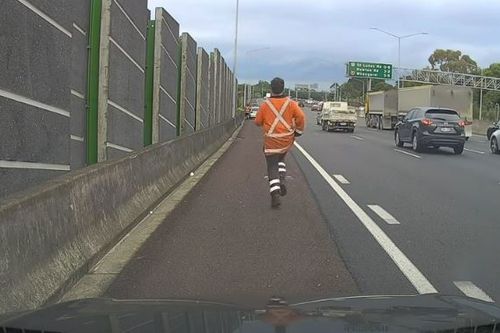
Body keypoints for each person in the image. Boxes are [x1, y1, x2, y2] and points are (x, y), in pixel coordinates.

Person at [255, 77, 305, 208]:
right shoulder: (291, 103)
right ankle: (282, 178)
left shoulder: (266, 105)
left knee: (272, 165)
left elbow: (257, 122)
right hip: (286, 140)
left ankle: (275, 193)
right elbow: (301, 117)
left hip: (271, 141)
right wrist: (298, 131)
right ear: (283, 88)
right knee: (281, 158)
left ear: (271, 89)